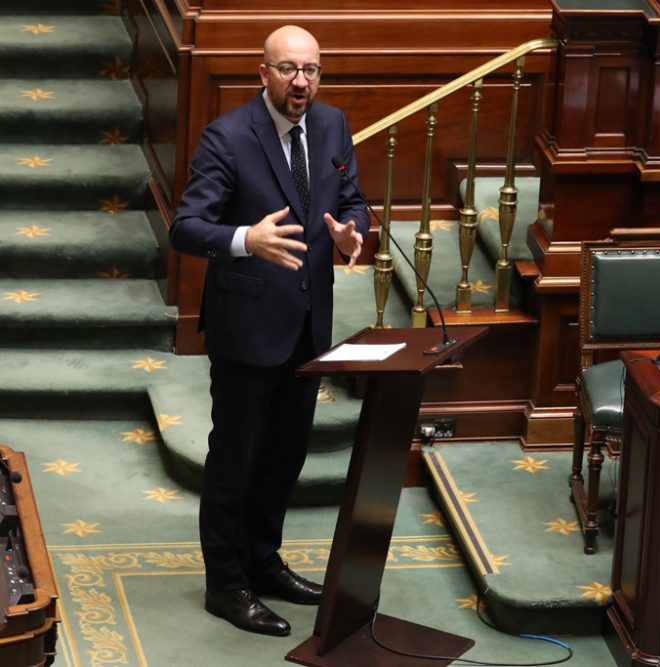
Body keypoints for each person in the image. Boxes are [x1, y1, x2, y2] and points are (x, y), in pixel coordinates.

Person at [170, 25, 369, 636]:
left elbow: (354, 199)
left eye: (311, 69)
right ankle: (226, 584)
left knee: (284, 458)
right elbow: (186, 226)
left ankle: (263, 560)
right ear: (264, 74)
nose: (301, 82)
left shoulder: (333, 126)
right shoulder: (228, 137)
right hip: (247, 329)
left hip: (309, 328)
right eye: (288, 69)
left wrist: (350, 232)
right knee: (236, 460)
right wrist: (243, 239)